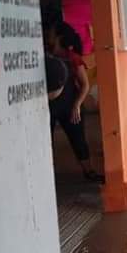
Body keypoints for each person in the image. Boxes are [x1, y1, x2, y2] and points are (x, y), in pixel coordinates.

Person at [47, 21, 105, 183]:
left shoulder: (72, 58)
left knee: (78, 139)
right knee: (46, 143)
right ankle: (48, 177)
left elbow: (85, 85)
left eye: (51, 33)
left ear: (59, 37)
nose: (47, 35)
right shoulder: (46, 56)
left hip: (70, 106)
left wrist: (77, 105)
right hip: (50, 106)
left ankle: (89, 172)